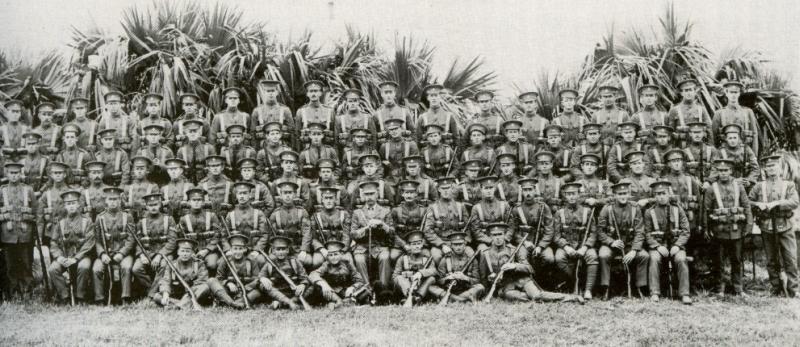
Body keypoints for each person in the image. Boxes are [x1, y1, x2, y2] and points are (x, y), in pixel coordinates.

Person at [480, 223, 580, 303]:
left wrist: (514, 266)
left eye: (500, 234)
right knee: (512, 296)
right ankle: (542, 298)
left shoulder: (514, 249)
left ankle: (570, 298)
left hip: (522, 280)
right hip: (507, 287)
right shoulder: (485, 254)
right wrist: (491, 280)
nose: (498, 238)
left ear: (504, 235)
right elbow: (483, 278)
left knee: (536, 295)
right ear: (490, 236)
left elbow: (529, 269)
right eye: (494, 235)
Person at [749, 154, 799, 297]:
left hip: (785, 225)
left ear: (779, 167)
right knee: (771, 259)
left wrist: (777, 203)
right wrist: (758, 204)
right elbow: (748, 202)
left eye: (774, 166)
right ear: (764, 169)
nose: (771, 169)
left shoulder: (788, 185)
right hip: (767, 226)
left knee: (790, 258)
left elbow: (795, 202)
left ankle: (793, 289)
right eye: (768, 166)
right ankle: (776, 287)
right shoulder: (759, 186)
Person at [704, 158, 752, 297]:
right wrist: (707, 229)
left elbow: (746, 205)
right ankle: (720, 289)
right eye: (720, 171)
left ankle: (738, 288)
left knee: (736, 259)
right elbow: (706, 210)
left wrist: (749, 224)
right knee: (718, 261)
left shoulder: (739, 186)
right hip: (718, 231)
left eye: (726, 170)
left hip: (736, 230)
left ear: (731, 171)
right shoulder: (711, 188)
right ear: (717, 172)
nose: (723, 173)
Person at [596, 181, 648, 299]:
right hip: (611, 244)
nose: (623, 196)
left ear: (628, 194)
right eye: (620, 194)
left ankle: (640, 287)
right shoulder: (607, 209)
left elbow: (640, 231)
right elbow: (600, 231)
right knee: (603, 255)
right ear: (614, 195)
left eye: (625, 193)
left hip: (630, 244)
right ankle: (606, 288)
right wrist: (611, 242)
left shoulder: (635, 208)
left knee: (644, 256)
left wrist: (634, 250)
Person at [643, 180, 692, 304]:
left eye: (663, 193)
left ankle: (684, 293)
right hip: (658, 247)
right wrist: (657, 246)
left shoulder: (678, 209)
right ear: (655, 196)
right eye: (658, 194)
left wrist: (677, 245)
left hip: (676, 245)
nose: (661, 197)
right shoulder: (650, 212)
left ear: (668, 194)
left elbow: (686, 231)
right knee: (654, 259)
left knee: (681, 259)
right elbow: (647, 234)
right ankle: (655, 292)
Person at [350, 180, 400, 293]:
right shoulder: (357, 213)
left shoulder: (385, 211)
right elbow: (353, 234)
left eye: (372, 194)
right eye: (366, 194)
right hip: (363, 247)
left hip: (380, 246)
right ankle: (365, 290)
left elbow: (392, 233)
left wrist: (382, 224)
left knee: (384, 257)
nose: (369, 197)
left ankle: (383, 289)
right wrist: (366, 228)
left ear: (377, 194)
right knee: (359, 258)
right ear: (362, 195)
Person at [47, 190, 95, 304]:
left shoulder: (86, 221)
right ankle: (65, 297)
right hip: (65, 257)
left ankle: (80, 297)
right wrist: (59, 258)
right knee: (53, 269)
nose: (71, 206)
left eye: (73, 203)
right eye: (68, 204)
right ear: (64, 206)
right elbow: (53, 243)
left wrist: (76, 258)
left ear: (78, 204)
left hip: (82, 256)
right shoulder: (61, 223)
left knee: (84, 267)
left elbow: (89, 243)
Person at [553, 182, 599, 300]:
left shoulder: (587, 211)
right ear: (564, 196)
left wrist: (585, 248)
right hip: (567, 247)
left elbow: (593, 233)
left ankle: (588, 289)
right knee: (559, 258)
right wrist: (566, 247)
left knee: (592, 256)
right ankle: (574, 281)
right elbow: (556, 236)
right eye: (568, 194)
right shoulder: (560, 213)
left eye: (573, 194)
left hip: (583, 246)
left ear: (578, 195)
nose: (571, 197)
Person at [0, 162, 38, 299]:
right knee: (10, 265)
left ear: (20, 174)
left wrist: (36, 227)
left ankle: (27, 290)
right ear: (7, 174)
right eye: (11, 173)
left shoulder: (28, 190)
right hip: (7, 235)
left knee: (26, 263)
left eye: (16, 173)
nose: (14, 176)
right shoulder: (2, 190)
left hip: (25, 234)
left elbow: (36, 211)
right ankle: (14, 291)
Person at [92, 187, 136, 303]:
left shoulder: (128, 216)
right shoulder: (100, 218)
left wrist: (122, 254)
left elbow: (131, 239)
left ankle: (125, 298)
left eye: (115, 199)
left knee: (126, 267)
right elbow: (97, 241)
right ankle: (100, 299)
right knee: (97, 268)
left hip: (124, 254)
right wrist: (102, 255)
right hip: (106, 253)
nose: (113, 202)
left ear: (120, 200)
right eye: (110, 199)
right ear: (105, 200)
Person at [131, 193, 177, 299]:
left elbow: (172, 242)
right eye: (150, 205)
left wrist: (160, 255)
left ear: (160, 204)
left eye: (156, 204)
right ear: (146, 206)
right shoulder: (141, 222)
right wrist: (141, 255)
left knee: (164, 265)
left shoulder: (169, 219)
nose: (153, 207)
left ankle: (150, 295)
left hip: (164, 253)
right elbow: (138, 242)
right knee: (136, 269)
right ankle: (153, 289)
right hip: (147, 252)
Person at [256, 235, 313, 310]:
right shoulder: (270, 263)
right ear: (273, 251)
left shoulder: (295, 262)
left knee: (312, 287)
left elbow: (304, 277)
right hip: (277, 292)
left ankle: (284, 302)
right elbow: (260, 276)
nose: (281, 252)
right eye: (278, 249)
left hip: (293, 292)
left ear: (288, 250)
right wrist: (262, 278)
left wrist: (302, 285)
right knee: (263, 285)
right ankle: (289, 303)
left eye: (283, 249)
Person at [153, 238, 211, 309]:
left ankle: (177, 306)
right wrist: (165, 294)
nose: (185, 254)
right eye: (182, 251)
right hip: (177, 295)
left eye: (187, 251)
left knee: (205, 287)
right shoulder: (172, 264)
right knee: (157, 296)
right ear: (178, 252)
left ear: (192, 252)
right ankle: (185, 304)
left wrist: (190, 292)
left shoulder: (199, 264)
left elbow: (202, 281)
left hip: (193, 293)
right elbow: (166, 280)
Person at [308, 240, 369, 308]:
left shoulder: (347, 264)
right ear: (327, 257)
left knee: (365, 291)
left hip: (346, 292)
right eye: (330, 255)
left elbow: (359, 280)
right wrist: (324, 284)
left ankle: (341, 303)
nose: (333, 257)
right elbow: (313, 274)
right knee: (316, 288)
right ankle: (339, 303)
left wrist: (352, 287)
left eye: (336, 254)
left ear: (341, 254)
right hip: (331, 292)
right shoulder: (326, 265)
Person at [429, 232, 484, 303]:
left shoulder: (472, 259)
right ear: (451, 246)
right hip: (449, 289)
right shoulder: (446, 259)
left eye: (460, 244)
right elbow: (439, 280)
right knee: (431, 287)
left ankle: (452, 299)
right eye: (455, 245)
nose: (458, 247)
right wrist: (448, 278)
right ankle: (461, 299)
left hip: (465, 289)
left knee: (480, 287)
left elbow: (477, 280)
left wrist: (465, 278)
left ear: (465, 245)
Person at [208, 234, 260, 309]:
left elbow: (256, 279)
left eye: (240, 249)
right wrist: (228, 283)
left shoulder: (251, 260)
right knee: (211, 281)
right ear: (231, 250)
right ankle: (232, 303)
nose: (237, 252)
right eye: (235, 249)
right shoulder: (225, 260)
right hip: (228, 290)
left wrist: (245, 288)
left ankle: (229, 302)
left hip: (245, 290)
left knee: (257, 293)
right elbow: (219, 278)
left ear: (244, 249)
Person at [268, 181, 312, 268]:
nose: (287, 196)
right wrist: (277, 249)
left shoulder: (302, 212)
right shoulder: (275, 214)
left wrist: (304, 250)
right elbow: (271, 235)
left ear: (295, 195)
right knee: (271, 259)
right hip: (280, 248)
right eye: (285, 193)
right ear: (280, 195)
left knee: (308, 260)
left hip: (297, 248)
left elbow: (307, 232)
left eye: (290, 193)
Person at [178, 188, 222, 274]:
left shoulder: (212, 216)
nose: (196, 202)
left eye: (199, 200)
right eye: (194, 200)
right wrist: (190, 251)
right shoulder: (183, 219)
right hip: (190, 251)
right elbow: (181, 238)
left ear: (203, 202)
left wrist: (207, 250)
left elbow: (217, 235)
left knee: (212, 264)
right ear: (189, 202)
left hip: (209, 250)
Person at [711, 80, 759, 154]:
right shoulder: (719, 114)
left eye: (735, 92)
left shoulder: (748, 112)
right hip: (725, 156)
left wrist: (754, 156)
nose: (733, 95)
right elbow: (714, 138)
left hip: (744, 155)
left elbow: (754, 135)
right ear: (726, 93)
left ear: (739, 93)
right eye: (731, 92)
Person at [392, 231, 438, 303]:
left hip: (421, 287)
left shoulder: (427, 258)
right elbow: (395, 277)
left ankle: (418, 297)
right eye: (414, 244)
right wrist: (406, 283)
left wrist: (421, 273)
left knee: (432, 278)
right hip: (406, 288)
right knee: (399, 278)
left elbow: (434, 271)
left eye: (419, 244)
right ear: (409, 246)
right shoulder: (403, 259)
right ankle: (410, 295)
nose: (417, 246)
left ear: (422, 244)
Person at [667, 77, 712, 146]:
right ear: (681, 93)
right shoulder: (674, 110)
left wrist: (710, 148)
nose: (688, 93)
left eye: (690, 90)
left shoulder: (701, 109)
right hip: (681, 147)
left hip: (700, 148)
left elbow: (709, 131)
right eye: (686, 90)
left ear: (695, 91)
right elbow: (670, 134)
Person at [251, 80, 295, 148]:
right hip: (263, 148)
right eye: (268, 91)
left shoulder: (285, 110)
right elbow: (253, 133)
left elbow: (292, 132)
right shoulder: (257, 111)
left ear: (277, 92)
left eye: (273, 91)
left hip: (282, 147)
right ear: (264, 93)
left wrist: (291, 148)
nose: (270, 93)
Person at [374, 81, 415, 146]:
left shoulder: (404, 111)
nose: (388, 95)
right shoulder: (377, 114)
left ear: (394, 93)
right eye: (386, 93)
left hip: (403, 149)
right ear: (382, 94)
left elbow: (413, 132)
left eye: (390, 92)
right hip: (384, 151)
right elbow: (374, 137)